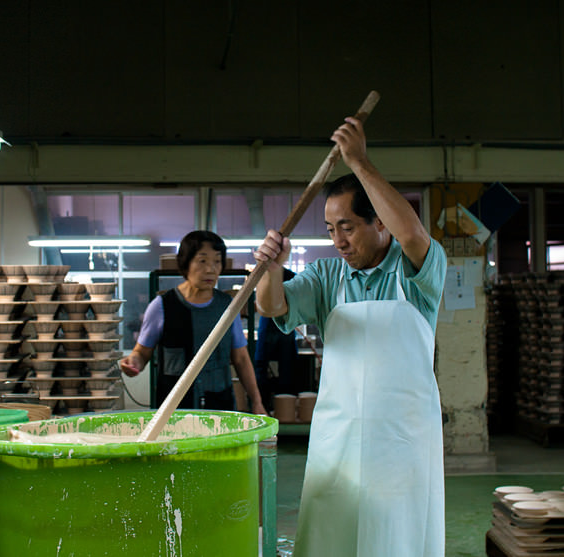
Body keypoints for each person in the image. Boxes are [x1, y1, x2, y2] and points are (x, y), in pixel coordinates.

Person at [254, 115, 447, 556]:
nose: (338, 240)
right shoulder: (326, 276)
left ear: (380, 223)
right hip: (338, 436)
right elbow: (272, 306)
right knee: (333, 534)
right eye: (329, 229)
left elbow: (413, 232)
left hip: (402, 438)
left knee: (394, 534)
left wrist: (359, 162)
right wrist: (272, 268)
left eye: (348, 226)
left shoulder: (417, 271)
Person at [120, 230, 267, 415]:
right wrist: (134, 362)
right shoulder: (162, 306)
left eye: (217, 261)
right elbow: (141, 353)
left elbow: (241, 359)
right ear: (186, 263)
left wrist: (257, 402)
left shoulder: (228, 307)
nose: (210, 269)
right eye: (202, 260)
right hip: (174, 411)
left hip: (218, 407)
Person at [254, 267, 299, 412]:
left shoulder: (283, 275)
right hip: (277, 326)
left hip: (279, 327)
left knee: (284, 367)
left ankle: (273, 407)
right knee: (279, 367)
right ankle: (279, 407)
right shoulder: (283, 275)